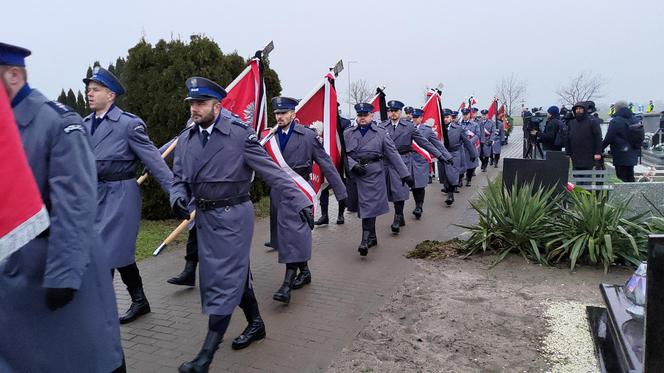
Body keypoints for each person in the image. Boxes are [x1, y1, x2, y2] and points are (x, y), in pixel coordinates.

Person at [170, 77, 313, 371]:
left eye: (200, 104)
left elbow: (273, 173)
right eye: (192, 104)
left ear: (217, 106)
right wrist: (177, 197)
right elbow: (179, 179)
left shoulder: (239, 135)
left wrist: (300, 202)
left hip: (233, 217)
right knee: (236, 276)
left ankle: (205, 357)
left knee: (222, 280)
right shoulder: (186, 138)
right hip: (205, 219)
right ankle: (256, 323)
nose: (194, 109)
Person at [0, 42, 124, 372]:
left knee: (82, 356)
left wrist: (64, 274)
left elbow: (75, 204)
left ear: (13, 75)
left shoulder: (55, 123)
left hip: (54, 271)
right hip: (13, 274)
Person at [82, 66, 174, 324]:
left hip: (121, 195)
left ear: (110, 95)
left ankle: (99, 311)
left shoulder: (128, 125)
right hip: (95, 196)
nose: (89, 94)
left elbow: (155, 162)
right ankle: (139, 300)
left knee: (106, 252)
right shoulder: (84, 124)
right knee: (117, 253)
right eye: (88, 89)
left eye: (95, 89)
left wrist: (175, 192)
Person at [267, 96, 347, 304]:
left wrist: (341, 192)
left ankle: (287, 283)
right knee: (288, 236)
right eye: (277, 113)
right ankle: (305, 271)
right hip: (278, 193)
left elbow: (326, 163)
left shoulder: (307, 136)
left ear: (293, 114)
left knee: (294, 234)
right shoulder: (269, 137)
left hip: (299, 191)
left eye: (284, 113)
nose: (280, 116)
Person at [344, 102, 409, 256]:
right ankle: (372, 236)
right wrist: (352, 165)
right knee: (365, 208)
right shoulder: (348, 133)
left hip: (373, 174)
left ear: (372, 115)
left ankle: (365, 240)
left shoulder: (381, 132)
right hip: (356, 176)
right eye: (359, 115)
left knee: (368, 206)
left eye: (365, 115)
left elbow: (393, 154)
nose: (362, 118)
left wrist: (405, 174)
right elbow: (342, 154)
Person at [380, 100, 444, 234]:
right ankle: (400, 216)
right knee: (391, 191)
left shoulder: (408, 126)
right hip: (387, 163)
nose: (393, 114)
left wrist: (441, 155)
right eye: (391, 111)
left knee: (399, 189)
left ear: (400, 112)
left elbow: (424, 142)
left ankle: (397, 216)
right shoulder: (382, 126)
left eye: (396, 111)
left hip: (403, 161)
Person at [410, 108, 452, 218]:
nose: (414, 119)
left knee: (420, 184)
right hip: (409, 160)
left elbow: (437, 145)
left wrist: (446, 156)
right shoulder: (407, 128)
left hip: (421, 159)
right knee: (414, 185)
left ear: (421, 118)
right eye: (413, 117)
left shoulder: (427, 130)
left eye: (416, 117)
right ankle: (417, 203)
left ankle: (419, 206)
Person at [315, 112, 351, 225]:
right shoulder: (321, 122)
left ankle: (341, 214)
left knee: (340, 186)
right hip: (323, 160)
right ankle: (324, 215)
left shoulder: (344, 122)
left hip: (339, 161)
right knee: (323, 188)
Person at [440, 109, 476, 205]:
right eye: (443, 117)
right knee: (445, 175)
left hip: (454, 154)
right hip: (442, 155)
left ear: (451, 118)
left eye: (447, 117)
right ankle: (448, 188)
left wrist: (472, 153)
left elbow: (467, 142)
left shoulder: (458, 129)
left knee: (452, 175)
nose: (445, 119)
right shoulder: (438, 129)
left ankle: (450, 195)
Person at [602, 101, 639, 182]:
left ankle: (623, 194)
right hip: (633, 152)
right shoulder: (635, 119)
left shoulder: (616, 121)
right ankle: (633, 193)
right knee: (630, 176)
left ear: (617, 108)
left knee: (621, 178)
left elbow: (609, 137)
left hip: (620, 153)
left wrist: (600, 148)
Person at [566, 101, 603, 175]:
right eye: (576, 109)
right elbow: (568, 138)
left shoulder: (592, 122)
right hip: (575, 155)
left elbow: (598, 138)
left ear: (584, 110)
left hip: (588, 155)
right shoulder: (572, 123)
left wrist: (598, 153)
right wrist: (568, 152)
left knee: (586, 179)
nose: (578, 110)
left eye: (580, 109)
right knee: (577, 178)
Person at [459, 108, 480, 186]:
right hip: (461, 148)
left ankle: (469, 179)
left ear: (469, 114)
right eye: (463, 114)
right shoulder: (459, 124)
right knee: (460, 165)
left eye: (466, 114)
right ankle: (460, 180)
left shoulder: (475, 125)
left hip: (470, 148)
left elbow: (478, 135)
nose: (465, 116)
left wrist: (469, 142)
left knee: (470, 165)